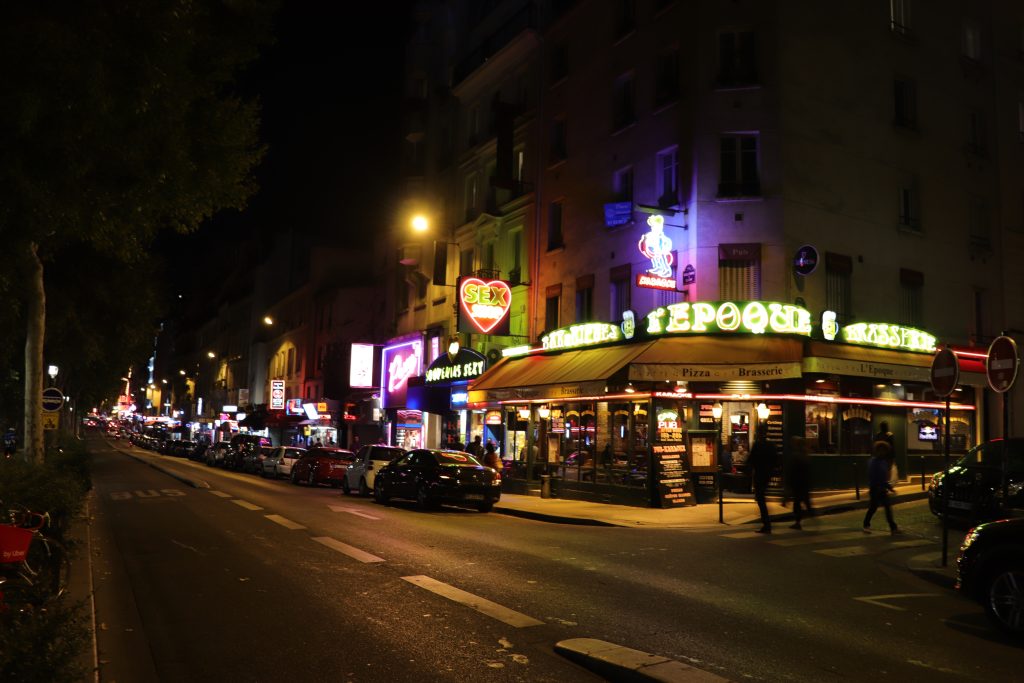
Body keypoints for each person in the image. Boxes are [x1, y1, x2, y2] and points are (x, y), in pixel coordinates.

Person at [863, 440, 899, 534]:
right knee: (873, 508)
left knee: (887, 508)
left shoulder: (883, 462)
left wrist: (889, 487)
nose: (882, 452)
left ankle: (893, 528)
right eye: (881, 450)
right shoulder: (873, 462)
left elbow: (883, 478)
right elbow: (873, 476)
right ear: (877, 450)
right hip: (875, 489)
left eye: (884, 450)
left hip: (882, 489)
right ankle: (866, 525)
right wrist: (878, 486)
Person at [747, 427, 777, 534]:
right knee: (761, 497)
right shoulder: (771, 445)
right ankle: (766, 523)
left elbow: (750, 460)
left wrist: (749, 471)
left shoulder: (757, 445)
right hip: (767, 474)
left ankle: (766, 523)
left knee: (760, 498)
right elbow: (776, 460)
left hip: (759, 474)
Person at [785, 436, 813, 530]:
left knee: (797, 503)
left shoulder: (795, 456)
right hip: (804, 483)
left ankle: (799, 521)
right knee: (804, 501)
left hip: (797, 484)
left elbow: (791, 471)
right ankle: (810, 516)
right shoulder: (805, 455)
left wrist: (788, 484)